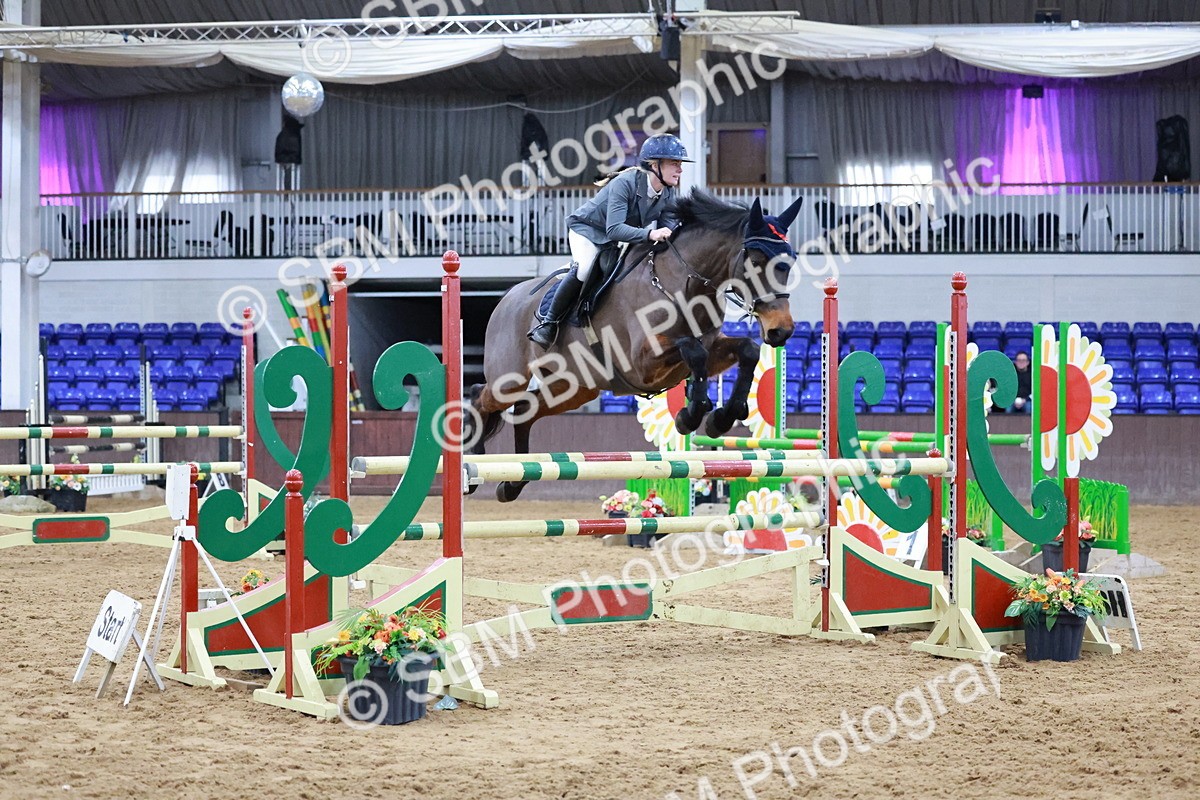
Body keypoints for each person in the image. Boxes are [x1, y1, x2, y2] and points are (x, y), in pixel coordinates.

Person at [527, 133, 691, 348]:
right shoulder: (625, 183)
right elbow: (614, 229)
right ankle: (548, 323)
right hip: (587, 230)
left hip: (614, 240)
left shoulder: (668, 194)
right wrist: (650, 234)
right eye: (674, 163)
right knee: (585, 269)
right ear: (654, 165)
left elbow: (668, 228)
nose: (680, 169)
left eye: (680, 164)